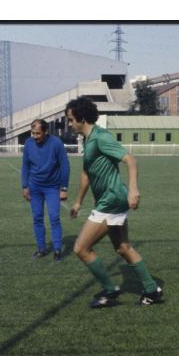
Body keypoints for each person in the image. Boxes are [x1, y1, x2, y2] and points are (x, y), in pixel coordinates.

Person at [64, 97, 163, 307]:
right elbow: (86, 173)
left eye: (71, 119)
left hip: (111, 200)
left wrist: (134, 188)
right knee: (122, 247)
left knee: (81, 248)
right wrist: (78, 202)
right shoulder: (88, 140)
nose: (69, 124)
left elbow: (130, 160)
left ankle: (110, 290)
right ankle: (151, 290)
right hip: (111, 200)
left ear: (81, 118)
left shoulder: (101, 137)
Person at [21, 119, 70, 261]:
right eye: (33, 133)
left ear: (46, 131)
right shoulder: (29, 144)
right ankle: (41, 249)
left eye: (38, 133)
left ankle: (57, 250)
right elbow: (25, 166)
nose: (35, 136)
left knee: (54, 218)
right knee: (37, 218)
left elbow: (65, 166)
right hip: (34, 187)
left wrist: (64, 188)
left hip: (52, 187)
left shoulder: (56, 143)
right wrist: (25, 186)